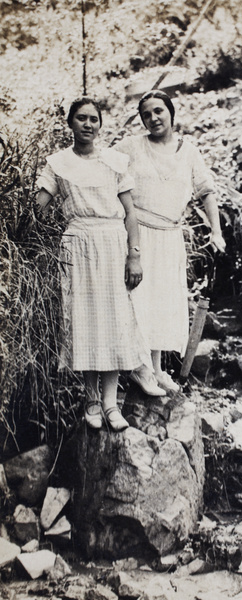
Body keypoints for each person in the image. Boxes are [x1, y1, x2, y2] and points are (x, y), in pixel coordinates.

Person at [35, 97, 166, 432]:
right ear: (70, 123)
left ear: (100, 124)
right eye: (81, 118)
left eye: (94, 119)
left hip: (112, 243)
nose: (88, 125)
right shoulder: (58, 163)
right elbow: (39, 208)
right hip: (77, 244)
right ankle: (91, 400)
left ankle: (111, 403)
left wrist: (133, 254)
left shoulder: (115, 161)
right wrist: (41, 206)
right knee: (84, 322)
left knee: (115, 322)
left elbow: (130, 213)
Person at [115, 90, 226, 392]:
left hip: (170, 236)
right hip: (138, 233)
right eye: (146, 114)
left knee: (163, 303)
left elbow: (206, 191)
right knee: (138, 299)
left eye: (158, 111)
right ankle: (139, 370)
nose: (153, 118)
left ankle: (157, 369)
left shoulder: (188, 151)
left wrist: (216, 231)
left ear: (171, 113)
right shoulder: (130, 147)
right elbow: (101, 170)